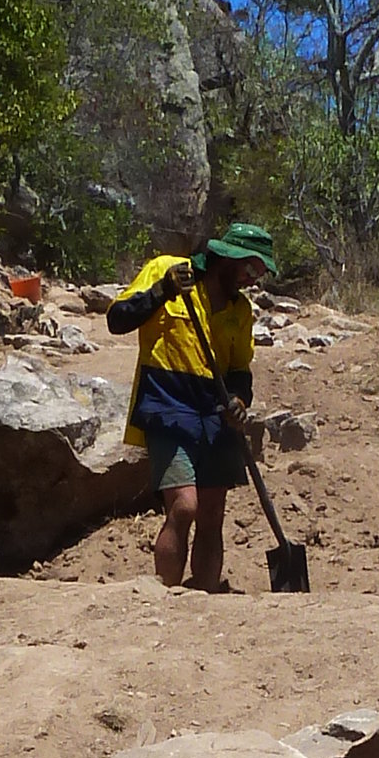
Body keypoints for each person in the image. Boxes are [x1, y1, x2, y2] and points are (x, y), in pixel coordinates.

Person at [106, 222, 279, 589]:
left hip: (215, 414)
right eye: (251, 269)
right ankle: (164, 595)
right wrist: (162, 291)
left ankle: (203, 598)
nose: (253, 280)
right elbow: (117, 320)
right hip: (168, 403)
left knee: (213, 512)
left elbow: (239, 371)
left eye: (259, 273)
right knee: (184, 506)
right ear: (229, 259)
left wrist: (239, 401)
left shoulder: (240, 310)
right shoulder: (168, 271)